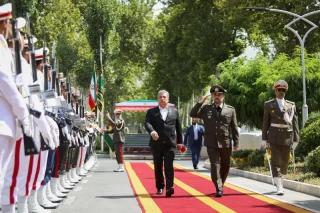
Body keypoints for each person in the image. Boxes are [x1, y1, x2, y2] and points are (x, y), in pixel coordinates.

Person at [190, 85, 239, 197]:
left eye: (219, 94)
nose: (217, 96)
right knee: (215, 164)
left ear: (223, 96)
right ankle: (218, 187)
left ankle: (220, 183)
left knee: (225, 165)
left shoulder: (230, 110)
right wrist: (201, 102)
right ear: (212, 96)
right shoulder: (206, 108)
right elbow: (192, 113)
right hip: (211, 142)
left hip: (225, 141)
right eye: (215, 94)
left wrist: (236, 142)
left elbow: (234, 127)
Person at [261, 80, 299, 195]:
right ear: (275, 91)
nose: (281, 92)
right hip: (273, 136)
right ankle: (279, 187)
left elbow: (295, 123)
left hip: (287, 136)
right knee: (275, 161)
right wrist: (264, 138)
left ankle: (281, 182)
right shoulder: (269, 105)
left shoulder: (291, 105)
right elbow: (265, 122)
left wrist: (296, 139)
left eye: (283, 90)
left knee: (285, 161)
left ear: (285, 92)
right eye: (279, 90)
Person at [145, 90, 184, 197]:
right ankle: (160, 187)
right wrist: (152, 131)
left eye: (164, 97)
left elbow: (178, 128)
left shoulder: (175, 112)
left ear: (168, 99)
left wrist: (180, 142)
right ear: (157, 99)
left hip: (170, 144)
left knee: (169, 166)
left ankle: (169, 187)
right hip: (156, 143)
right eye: (160, 97)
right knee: (158, 166)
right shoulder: (151, 112)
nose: (162, 99)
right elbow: (147, 123)